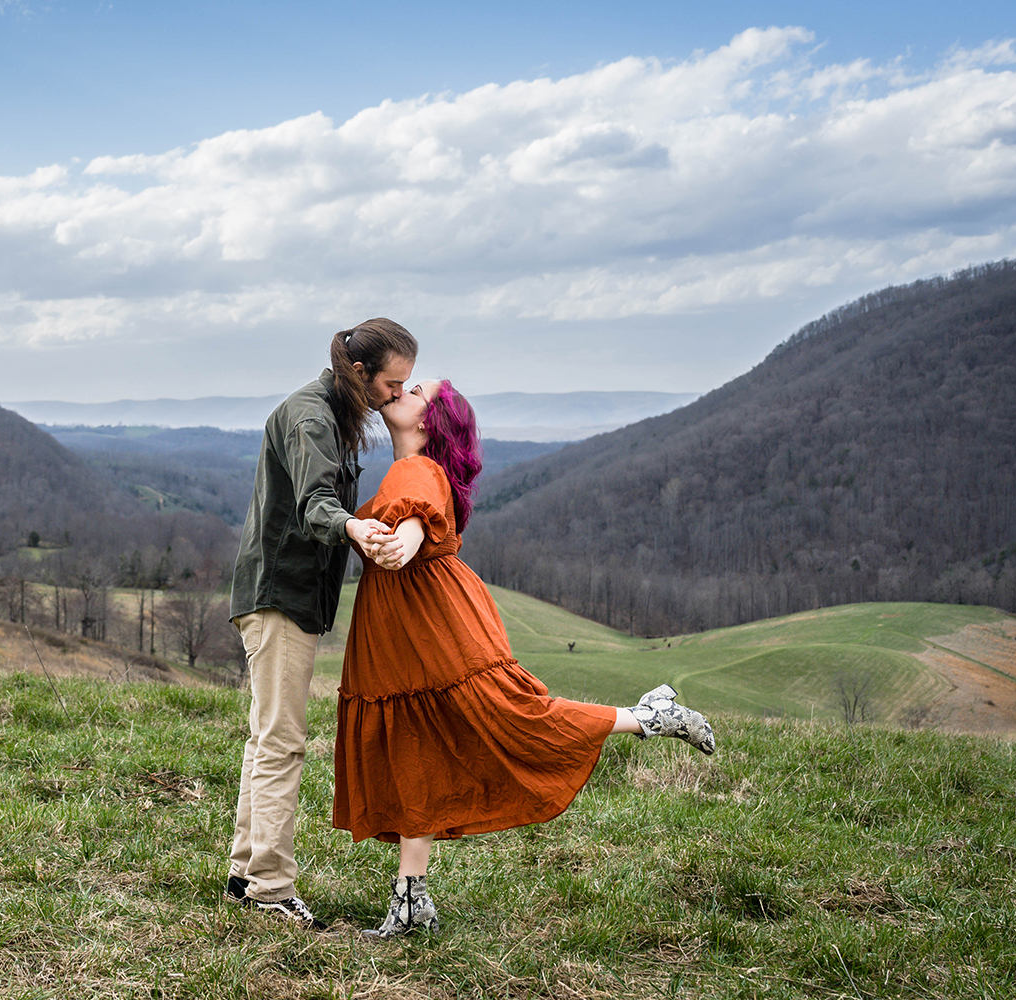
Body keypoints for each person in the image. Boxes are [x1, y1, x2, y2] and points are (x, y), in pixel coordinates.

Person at [333, 379, 715, 938]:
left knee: (514, 719)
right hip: (406, 639)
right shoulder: (407, 469)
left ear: (430, 420)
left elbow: (414, 522)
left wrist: (401, 541)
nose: (403, 388)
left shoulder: (419, 470)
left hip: (438, 635)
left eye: (418, 388)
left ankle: (651, 718)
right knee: (412, 747)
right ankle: (411, 903)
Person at [225, 318, 420, 929]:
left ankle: (245, 871)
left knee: (266, 735)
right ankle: (272, 889)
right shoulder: (314, 418)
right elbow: (316, 506)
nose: (396, 396)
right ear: (360, 374)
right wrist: (355, 529)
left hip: (282, 593)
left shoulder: (334, 407)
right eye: (392, 384)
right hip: (282, 594)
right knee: (283, 740)